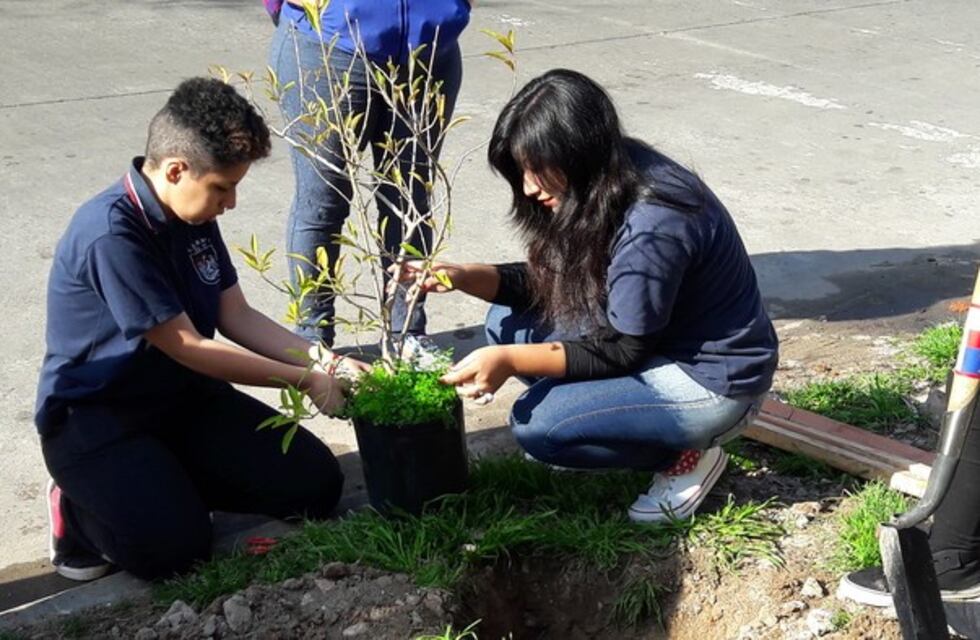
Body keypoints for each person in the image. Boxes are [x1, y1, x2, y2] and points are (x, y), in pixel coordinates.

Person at [399, 69, 779, 522]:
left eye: (537, 170)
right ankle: (604, 421)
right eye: (520, 170)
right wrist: (461, 275)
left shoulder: (654, 224)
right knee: (507, 321)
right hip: (655, 342)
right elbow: (553, 281)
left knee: (538, 427)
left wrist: (510, 362)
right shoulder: (609, 176)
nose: (527, 187)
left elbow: (624, 348)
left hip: (711, 380)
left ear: (579, 154)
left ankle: (685, 457)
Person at [35, 78, 366, 582]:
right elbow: (189, 346)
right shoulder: (111, 233)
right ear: (175, 170)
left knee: (315, 485)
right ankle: (78, 508)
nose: (229, 203)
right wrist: (305, 381)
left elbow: (236, 315)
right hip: (97, 417)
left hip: (182, 399)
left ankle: (164, 484)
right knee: (173, 553)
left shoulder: (191, 214)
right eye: (223, 188)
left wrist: (327, 362)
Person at [266, 0, 471, 349]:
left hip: (431, 49)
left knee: (411, 201)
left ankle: (407, 332)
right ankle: (313, 341)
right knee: (322, 203)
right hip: (330, 47)